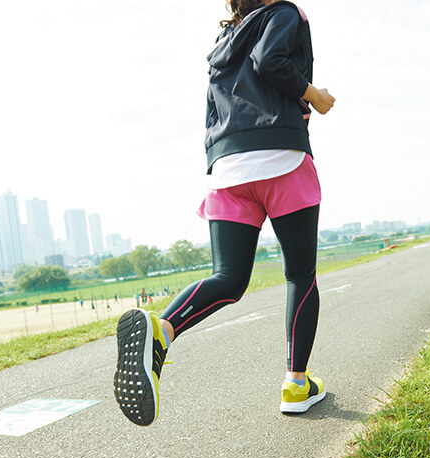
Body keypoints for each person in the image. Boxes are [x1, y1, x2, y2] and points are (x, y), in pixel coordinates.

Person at [114, 0, 335, 426]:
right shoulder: (285, 14)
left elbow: (217, 107)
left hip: (228, 168)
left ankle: (162, 330)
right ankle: (295, 383)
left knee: (229, 279)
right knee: (299, 275)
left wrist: (220, 156)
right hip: (282, 159)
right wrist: (314, 95)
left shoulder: (224, 38)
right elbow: (270, 60)